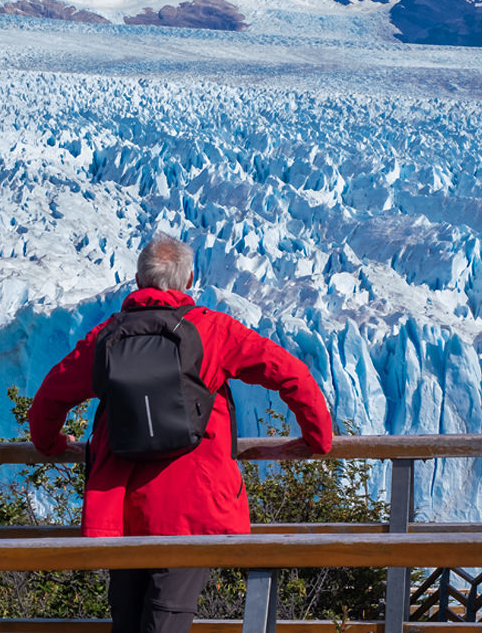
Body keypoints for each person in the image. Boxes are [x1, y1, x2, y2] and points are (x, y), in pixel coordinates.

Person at [28, 232, 333, 633]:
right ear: (189, 280)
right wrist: (316, 440)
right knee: (167, 619)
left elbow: (48, 400)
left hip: (122, 507)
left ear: (138, 281)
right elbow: (291, 375)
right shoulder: (214, 331)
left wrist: (51, 444)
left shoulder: (104, 338)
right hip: (192, 506)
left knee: (127, 620)